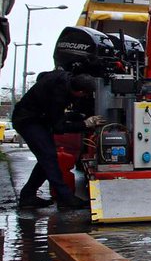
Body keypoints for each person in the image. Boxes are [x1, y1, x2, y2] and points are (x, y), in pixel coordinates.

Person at [12, 68, 101, 209]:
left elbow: (42, 76)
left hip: (36, 117)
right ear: (80, 92)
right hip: (28, 120)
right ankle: (65, 198)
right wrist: (85, 124)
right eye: (84, 95)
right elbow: (58, 127)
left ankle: (28, 196)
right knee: (48, 156)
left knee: (46, 158)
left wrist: (76, 116)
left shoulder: (63, 78)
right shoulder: (58, 95)